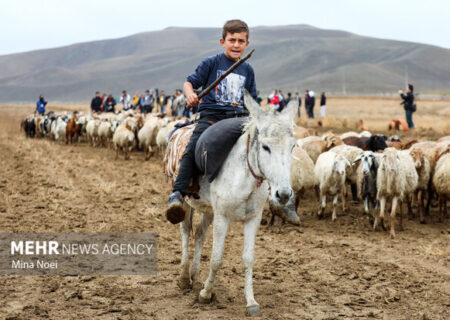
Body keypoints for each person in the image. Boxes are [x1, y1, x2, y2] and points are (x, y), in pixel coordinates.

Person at [166, 19, 257, 224]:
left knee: (265, 145)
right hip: (212, 117)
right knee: (193, 146)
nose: (236, 45)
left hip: (239, 119)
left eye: (240, 41)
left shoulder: (247, 70)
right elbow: (189, 82)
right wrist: (190, 95)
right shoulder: (211, 63)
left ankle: (277, 195)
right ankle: (178, 194)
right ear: (222, 41)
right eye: (231, 40)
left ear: (247, 44)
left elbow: (251, 99)